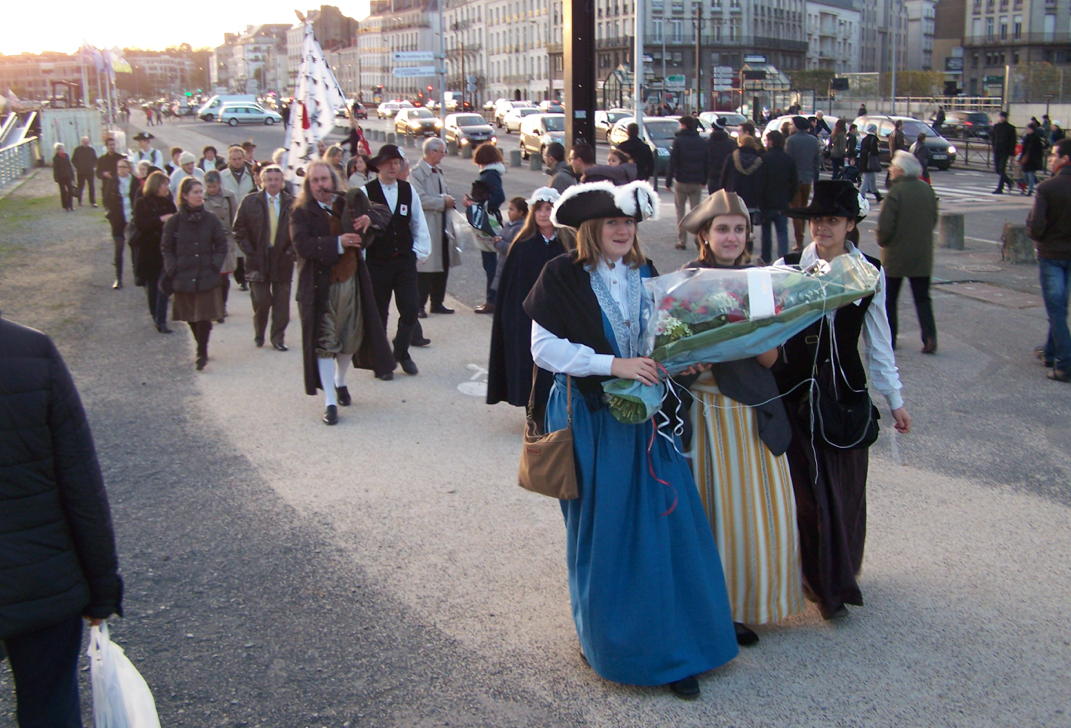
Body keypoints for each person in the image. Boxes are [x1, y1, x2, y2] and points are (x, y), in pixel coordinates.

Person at [524, 180, 738, 699]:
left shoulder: (644, 272)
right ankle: (612, 643)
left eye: (629, 222)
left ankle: (680, 644)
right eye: (612, 222)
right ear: (592, 229)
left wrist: (682, 358)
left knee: (668, 525)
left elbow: (656, 338)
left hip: (647, 415)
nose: (622, 230)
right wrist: (612, 364)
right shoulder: (562, 275)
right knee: (606, 532)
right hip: (592, 417)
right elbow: (543, 349)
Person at [777, 179, 911, 620]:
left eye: (832, 219)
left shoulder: (870, 271)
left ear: (851, 224)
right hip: (795, 394)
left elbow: (878, 341)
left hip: (846, 397)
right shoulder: (789, 265)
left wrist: (894, 399)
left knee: (846, 492)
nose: (822, 227)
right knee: (807, 494)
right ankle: (823, 585)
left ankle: (839, 571)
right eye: (816, 219)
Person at [677, 189, 805, 646]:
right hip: (702, 413)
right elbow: (668, 354)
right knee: (710, 512)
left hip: (750, 413)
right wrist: (691, 354)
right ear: (705, 236)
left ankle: (748, 602)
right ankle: (715, 608)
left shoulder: (761, 280)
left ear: (748, 234)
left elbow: (773, 360)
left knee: (749, 512)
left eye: (738, 228)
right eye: (722, 228)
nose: (731, 236)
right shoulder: (683, 283)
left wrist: (743, 330)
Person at [0, 313, 123, 728]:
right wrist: (101, 588)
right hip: (42, 579)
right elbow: (82, 485)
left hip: (42, 581)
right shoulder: (31, 352)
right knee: (50, 709)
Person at [291, 160, 396, 424]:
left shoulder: (346, 202)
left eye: (324, 179)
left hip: (350, 283)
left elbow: (383, 211)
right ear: (308, 184)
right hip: (319, 287)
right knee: (325, 342)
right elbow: (302, 245)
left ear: (332, 180)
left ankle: (340, 380)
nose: (320, 185)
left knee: (349, 339)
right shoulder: (301, 212)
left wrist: (369, 217)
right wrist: (338, 242)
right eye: (314, 181)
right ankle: (329, 402)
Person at [487, 187, 576, 421]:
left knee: (558, 362)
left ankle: (556, 408)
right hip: (526, 315)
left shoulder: (568, 245)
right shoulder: (523, 244)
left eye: (549, 209)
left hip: (560, 316)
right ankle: (533, 410)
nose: (544, 214)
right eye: (540, 209)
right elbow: (511, 285)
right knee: (529, 364)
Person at [360, 145, 432, 375]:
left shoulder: (408, 190)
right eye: (389, 162)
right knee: (379, 313)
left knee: (411, 309)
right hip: (376, 262)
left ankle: (400, 351)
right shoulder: (365, 192)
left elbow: (418, 223)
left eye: (397, 162)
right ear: (379, 165)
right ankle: (382, 362)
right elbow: (359, 230)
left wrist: (419, 252)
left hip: (403, 261)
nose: (393, 167)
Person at [162, 177, 228, 370]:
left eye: (201, 192)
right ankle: (200, 343)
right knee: (191, 316)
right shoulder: (174, 222)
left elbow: (221, 244)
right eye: (196, 192)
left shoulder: (211, 219)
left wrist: (214, 265)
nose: (200, 195)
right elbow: (166, 247)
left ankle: (202, 350)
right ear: (184, 195)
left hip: (206, 275)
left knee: (204, 316)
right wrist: (172, 268)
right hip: (183, 275)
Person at [878, 151, 940, 354]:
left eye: (893, 166)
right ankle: (929, 337)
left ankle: (890, 338)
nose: (890, 169)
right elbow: (933, 219)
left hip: (896, 254)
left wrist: (882, 240)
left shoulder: (896, 193)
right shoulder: (926, 190)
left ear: (901, 170)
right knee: (923, 298)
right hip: (922, 253)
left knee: (890, 299)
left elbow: (886, 227)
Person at [234, 165, 295, 350]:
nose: (273, 183)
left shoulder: (293, 203)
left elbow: (302, 231)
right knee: (261, 300)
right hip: (258, 258)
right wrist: (250, 251)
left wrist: (291, 251)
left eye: (277, 179)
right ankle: (259, 331)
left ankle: (278, 338)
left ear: (282, 181)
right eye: (269, 180)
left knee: (282, 302)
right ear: (261, 181)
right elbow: (238, 230)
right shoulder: (249, 201)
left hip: (282, 257)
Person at [1026, 138, 1071, 382]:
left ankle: (1065, 363)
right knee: (1061, 307)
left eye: (1054, 155)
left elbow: (1035, 227)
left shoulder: (1047, 188)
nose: (1050, 158)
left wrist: (1034, 232)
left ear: (1065, 159)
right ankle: (1051, 351)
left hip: (1052, 255)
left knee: (1056, 309)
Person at [411, 138, 459, 332]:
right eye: (441, 151)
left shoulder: (437, 172)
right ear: (431, 152)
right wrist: (442, 203)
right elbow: (420, 198)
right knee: (426, 268)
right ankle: (419, 305)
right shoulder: (417, 173)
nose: (443, 155)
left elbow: (442, 194)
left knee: (443, 264)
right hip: (428, 225)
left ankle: (437, 302)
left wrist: (449, 200)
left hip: (442, 225)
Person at [465, 142, 506, 315]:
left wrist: (480, 205)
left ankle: (492, 299)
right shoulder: (492, 173)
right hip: (489, 218)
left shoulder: (489, 175)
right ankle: (493, 299)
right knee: (490, 262)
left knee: (489, 262)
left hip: (487, 221)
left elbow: (499, 196)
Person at [134, 171, 178, 333]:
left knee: (164, 284)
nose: (167, 187)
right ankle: (156, 316)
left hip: (166, 249)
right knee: (153, 285)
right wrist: (160, 219)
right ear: (156, 185)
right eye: (165, 184)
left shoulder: (168, 202)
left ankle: (161, 319)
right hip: (150, 250)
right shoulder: (142, 203)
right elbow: (140, 224)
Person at [202, 170, 239, 323]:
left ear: (220, 184)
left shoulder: (229, 196)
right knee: (213, 276)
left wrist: (233, 232)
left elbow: (236, 216)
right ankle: (214, 307)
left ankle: (222, 305)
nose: (212, 189)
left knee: (224, 277)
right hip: (209, 242)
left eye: (214, 186)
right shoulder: (201, 198)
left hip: (226, 240)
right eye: (209, 186)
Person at [666, 115, 708, 250]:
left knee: (680, 211)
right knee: (696, 212)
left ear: (684, 125)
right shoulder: (702, 141)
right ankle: (698, 238)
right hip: (696, 182)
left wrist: (668, 181)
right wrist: (704, 180)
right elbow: (707, 162)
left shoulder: (678, 141)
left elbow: (673, 163)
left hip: (681, 180)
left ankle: (682, 241)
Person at [221, 145, 258, 291]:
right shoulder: (222, 175)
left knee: (248, 246)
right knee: (235, 249)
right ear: (229, 160)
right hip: (229, 214)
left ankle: (249, 275)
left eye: (239, 158)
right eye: (234, 159)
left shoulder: (251, 174)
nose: (237, 162)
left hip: (249, 215)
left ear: (243, 158)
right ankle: (240, 277)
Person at [758, 130, 798, 263]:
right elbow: (794, 183)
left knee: (766, 232)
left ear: (771, 142)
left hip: (767, 202)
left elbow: (760, 182)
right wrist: (789, 198)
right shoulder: (789, 160)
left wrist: (760, 199)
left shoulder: (764, 159)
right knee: (782, 232)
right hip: (782, 201)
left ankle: (766, 257)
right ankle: (783, 259)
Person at [785, 116, 822, 251]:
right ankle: (804, 236)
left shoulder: (791, 141)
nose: (789, 126)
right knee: (804, 207)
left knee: (795, 209)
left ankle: (799, 240)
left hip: (794, 179)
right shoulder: (813, 141)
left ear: (796, 126)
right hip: (807, 177)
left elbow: (788, 162)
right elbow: (817, 161)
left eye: (791, 124)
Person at [103, 158, 139, 291]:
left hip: (133, 219)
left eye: (124, 167)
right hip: (118, 219)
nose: (121, 170)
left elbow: (140, 198)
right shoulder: (112, 181)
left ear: (129, 168)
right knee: (119, 248)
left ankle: (137, 274)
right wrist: (109, 213)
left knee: (134, 246)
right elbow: (106, 199)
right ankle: (118, 277)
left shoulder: (135, 182)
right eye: (119, 167)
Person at [720, 132, 764, 225]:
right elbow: (760, 181)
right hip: (751, 197)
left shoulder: (731, 157)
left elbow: (724, 177)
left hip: (733, 196)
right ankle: (748, 238)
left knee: (734, 223)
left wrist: (723, 192)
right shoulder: (758, 160)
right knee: (748, 223)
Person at [706, 116, 737, 194]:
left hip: (712, 174)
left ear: (713, 129)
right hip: (727, 174)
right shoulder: (732, 143)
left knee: (713, 198)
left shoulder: (707, 142)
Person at [991, 111, 1017, 194]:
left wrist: (1012, 153)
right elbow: (992, 137)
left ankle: (1000, 188)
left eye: (1003, 117)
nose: (1001, 118)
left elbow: (1013, 141)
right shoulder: (996, 126)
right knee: (997, 170)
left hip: (1005, 151)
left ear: (1006, 118)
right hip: (997, 150)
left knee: (1002, 169)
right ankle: (1009, 181)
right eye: (1000, 117)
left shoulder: (1010, 128)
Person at [859, 124, 883, 203]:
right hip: (870, 163)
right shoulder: (874, 139)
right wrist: (878, 151)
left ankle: (878, 197)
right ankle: (861, 197)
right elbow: (874, 151)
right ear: (874, 130)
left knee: (872, 181)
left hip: (864, 162)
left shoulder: (864, 139)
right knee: (866, 181)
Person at [71, 136, 98, 207]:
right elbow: (73, 160)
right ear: (82, 142)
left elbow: (95, 159)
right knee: (80, 186)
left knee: (91, 186)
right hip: (81, 172)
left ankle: (93, 201)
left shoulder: (91, 150)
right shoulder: (77, 150)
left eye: (87, 142)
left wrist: (92, 166)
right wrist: (78, 167)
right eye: (84, 142)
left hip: (90, 171)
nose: (86, 143)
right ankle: (79, 200)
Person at [1020, 123, 1045, 196]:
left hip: (1033, 159)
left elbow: (1039, 150)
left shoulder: (1036, 138)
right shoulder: (1027, 137)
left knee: (1030, 174)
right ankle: (1035, 183)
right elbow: (1024, 148)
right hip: (1026, 158)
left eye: (1028, 129)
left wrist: (1036, 158)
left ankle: (1030, 189)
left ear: (1032, 129)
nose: (1027, 130)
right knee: (1025, 173)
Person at [51, 142, 75, 212]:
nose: (63, 150)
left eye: (63, 148)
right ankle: (65, 206)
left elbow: (69, 166)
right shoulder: (55, 158)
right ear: (58, 150)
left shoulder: (66, 156)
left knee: (71, 190)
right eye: (61, 149)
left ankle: (70, 205)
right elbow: (55, 168)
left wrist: (72, 175)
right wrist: (56, 177)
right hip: (61, 176)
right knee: (63, 191)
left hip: (68, 175)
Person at [885, 120, 906, 188]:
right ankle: (891, 182)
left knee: (893, 168)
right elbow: (900, 145)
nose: (903, 126)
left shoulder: (892, 133)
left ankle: (888, 181)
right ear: (900, 125)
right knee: (898, 169)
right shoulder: (899, 134)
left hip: (893, 153)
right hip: (897, 154)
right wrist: (905, 152)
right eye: (902, 124)